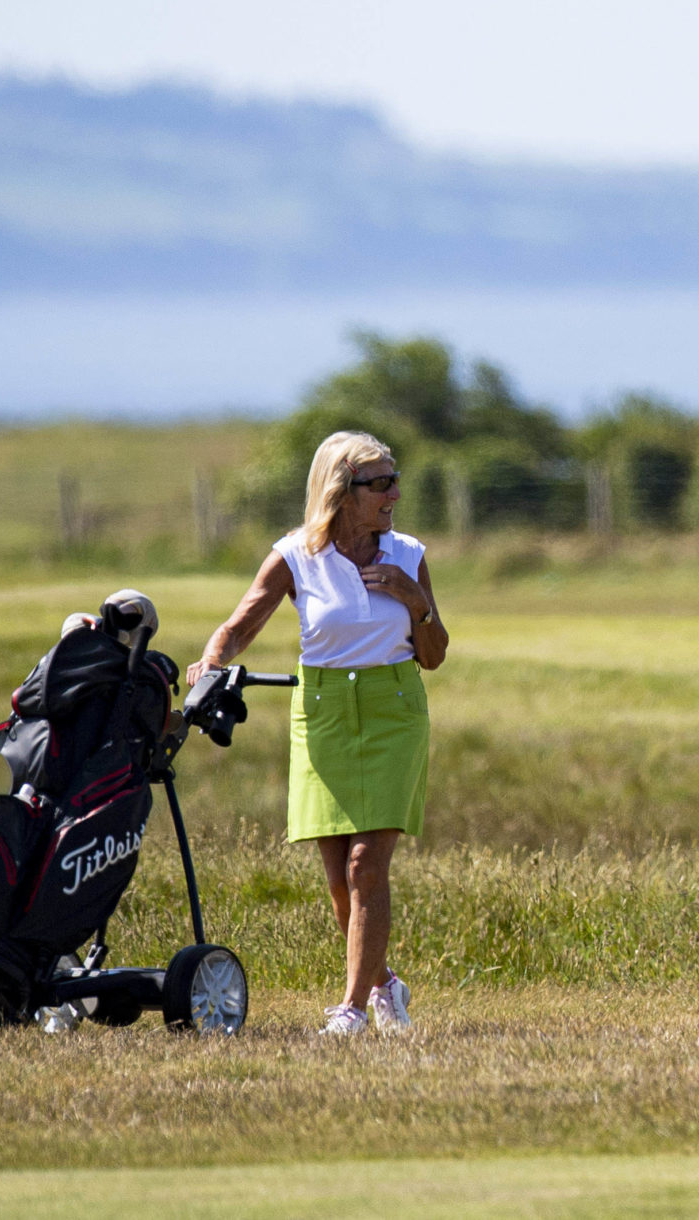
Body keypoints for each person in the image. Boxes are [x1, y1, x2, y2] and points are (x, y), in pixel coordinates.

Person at [191, 431, 449, 1036]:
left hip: (393, 710)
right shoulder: (295, 556)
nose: (395, 493)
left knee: (365, 866)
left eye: (394, 479)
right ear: (342, 491)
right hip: (323, 714)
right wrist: (211, 662)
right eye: (381, 483)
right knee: (338, 880)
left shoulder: (408, 554)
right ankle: (385, 985)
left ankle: (352, 1009)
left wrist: (418, 604)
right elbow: (237, 625)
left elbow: (434, 656)